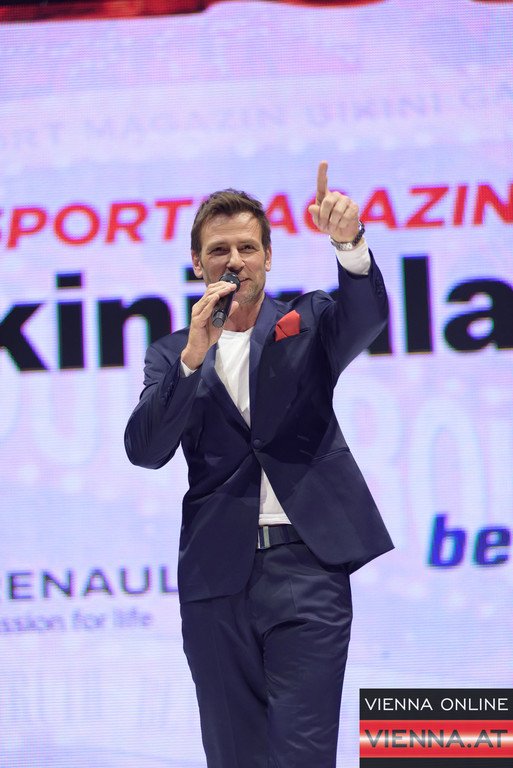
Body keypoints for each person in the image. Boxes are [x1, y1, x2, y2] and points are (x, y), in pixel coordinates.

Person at [124, 161, 393, 768]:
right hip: (216, 580)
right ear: (198, 264)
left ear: (268, 257)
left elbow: (367, 317)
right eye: (219, 250)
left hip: (307, 567)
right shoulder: (171, 352)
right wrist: (193, 357)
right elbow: (145, 450)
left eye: (248, 248)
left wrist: (350, 244)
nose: (235, 261)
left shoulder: (309, 321)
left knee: (302, 754)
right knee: (234, 757)